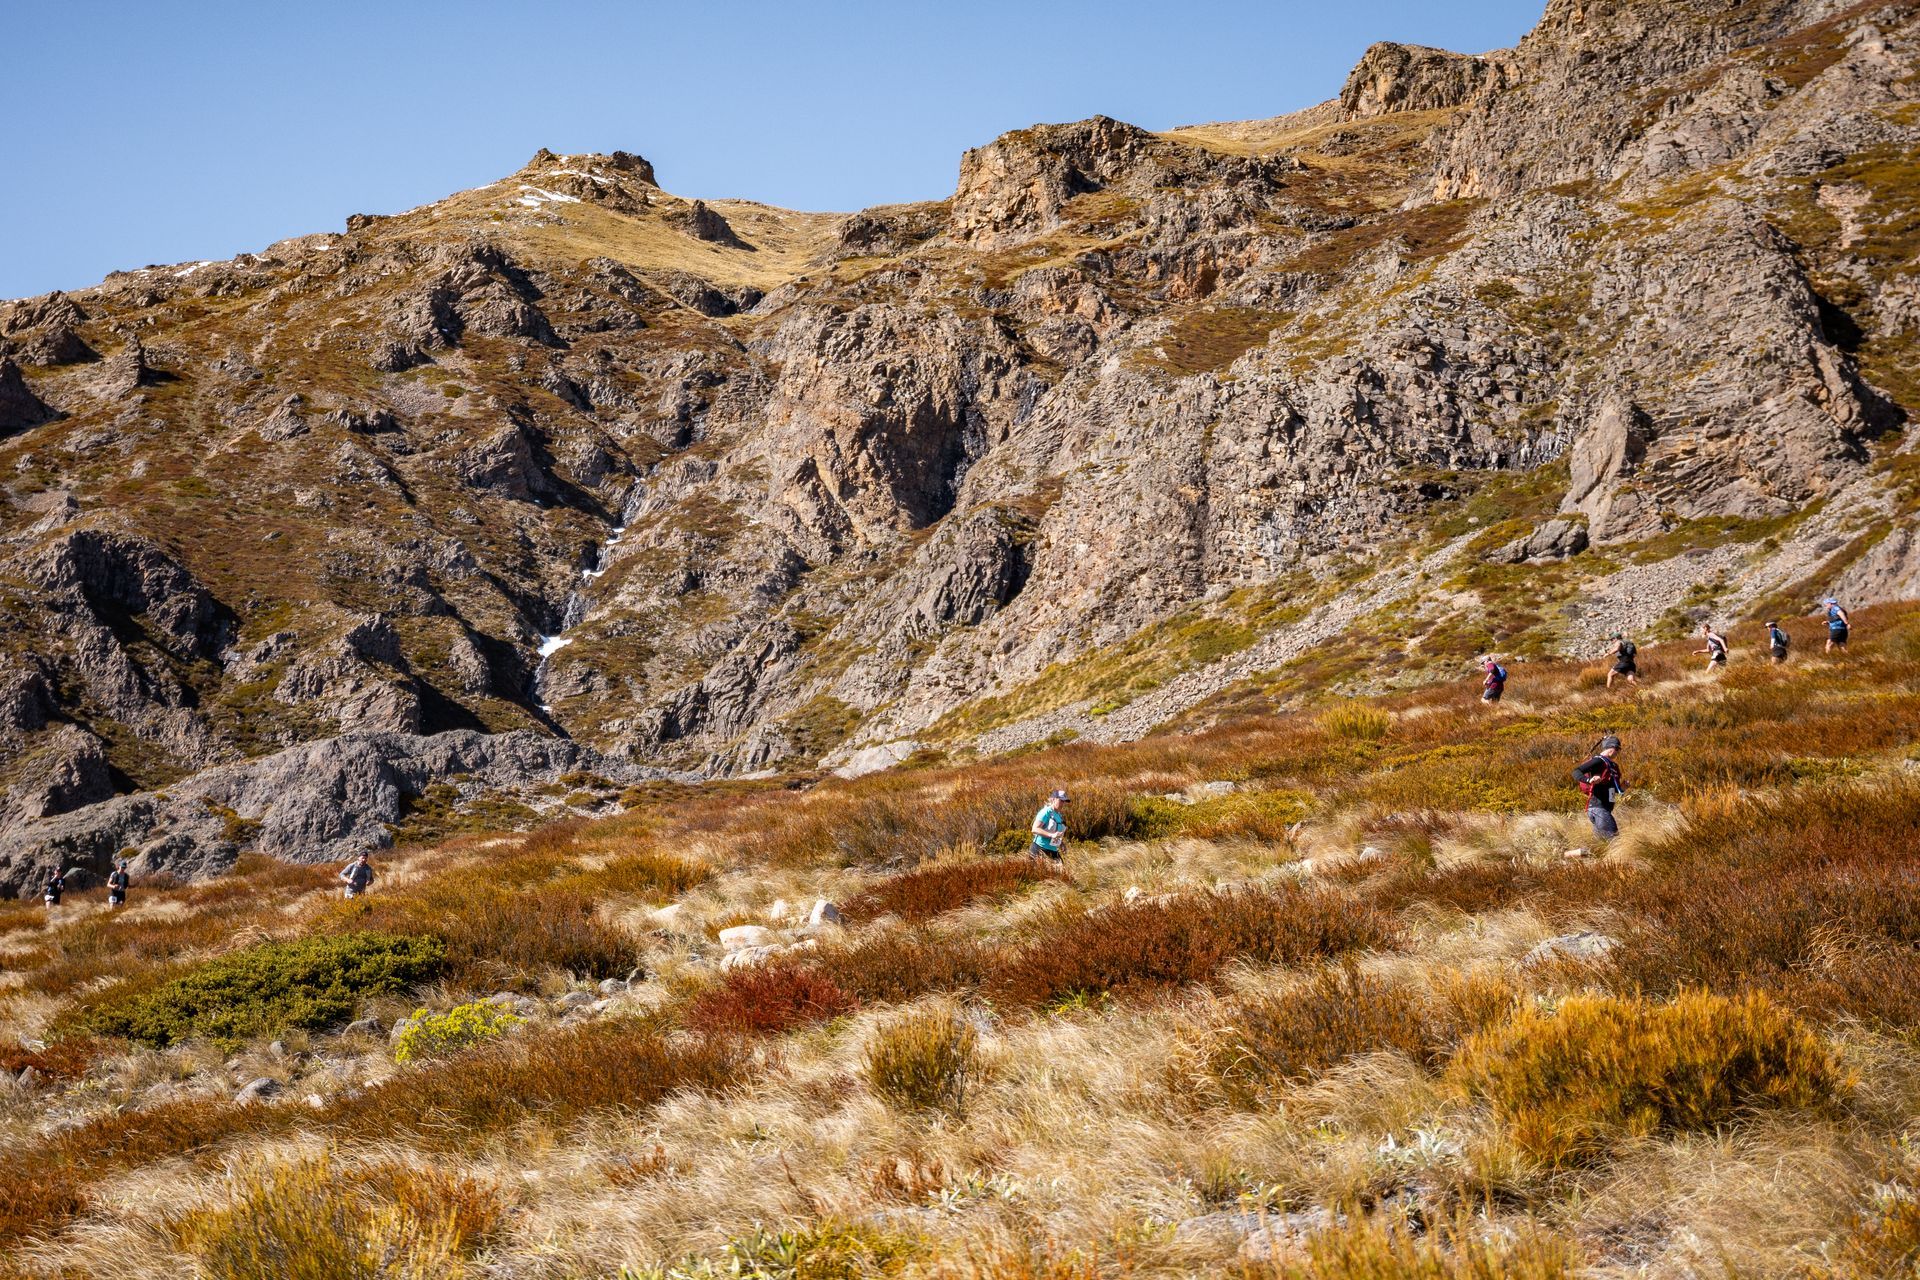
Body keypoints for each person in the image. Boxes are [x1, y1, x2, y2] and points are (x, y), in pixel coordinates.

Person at [1572, 735, 1628, 841]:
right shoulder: (1599, 761)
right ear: (1610, 747)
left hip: (1604, 810)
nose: (1618, 752)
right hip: (1598, 809)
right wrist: (1588, 780)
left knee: (1601, 844)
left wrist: (1622, 788)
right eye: (1617, 748)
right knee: (1614, 842)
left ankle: (1573, 854)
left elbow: (1611, 789)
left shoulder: (1612, 766)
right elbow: (1576, 771)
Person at [1029, 789, 1070, 866]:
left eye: (1064, 801)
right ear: (1054, 799)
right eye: (1061, 800)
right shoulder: (1046, 812)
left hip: (1053, 850)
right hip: (1039, 849)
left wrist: (1061, 843)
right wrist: (1051, 835)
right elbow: (1034, 829)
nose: (1063, 803)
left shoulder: (1059, 816)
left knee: (1061, 872)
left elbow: (1056, 833)